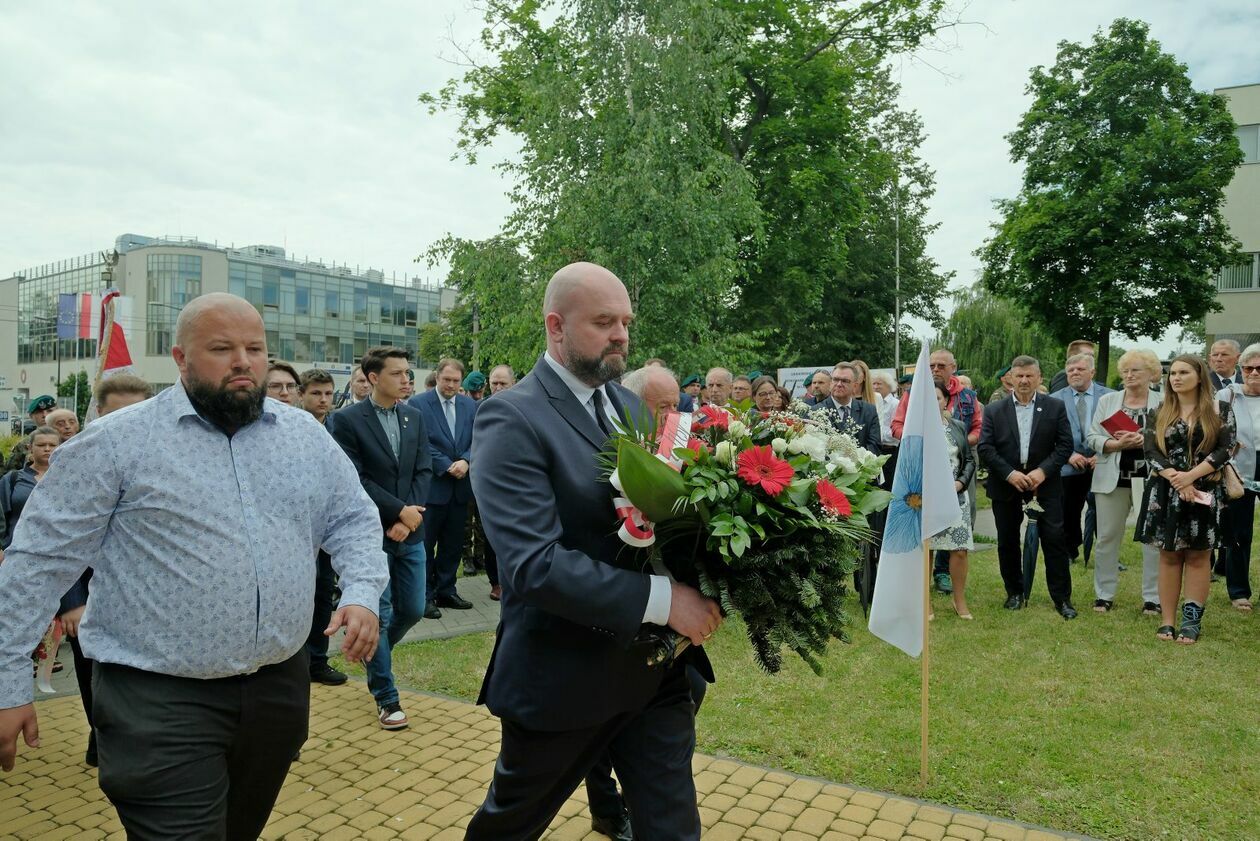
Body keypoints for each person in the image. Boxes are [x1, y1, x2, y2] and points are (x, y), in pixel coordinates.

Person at [0, 293, 386, 839]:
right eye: (221, 348)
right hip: (158, 699)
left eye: (254, 348)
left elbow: (352, 519)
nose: (242, 362)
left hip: (277, 691)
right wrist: (7, 681)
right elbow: (37, 562)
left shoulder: (303, 437)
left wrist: (362, 591)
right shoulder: (115, 444)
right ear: (180, 359)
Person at [464, 262, 719, 841]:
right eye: (604, 322)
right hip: (565, 677)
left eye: (625, 321)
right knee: (509, 827)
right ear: (556, 326)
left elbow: (649, 520)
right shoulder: (511, 417)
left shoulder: (627, 408)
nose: (621, 335)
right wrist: (664, 600)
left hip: (653, 673)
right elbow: (532, 566)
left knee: (674, 830)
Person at [333, 346, 434, 728]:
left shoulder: (414, 417)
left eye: (408, 373)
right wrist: (396, 511)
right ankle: (387, 699)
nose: (406, 380)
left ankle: (375, 649)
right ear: (374, 378)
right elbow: (355, 479)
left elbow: (424, 469)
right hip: (369, 534)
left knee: (413, 609)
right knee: (384, 610)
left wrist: (407, 519)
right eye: (398, 373)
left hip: (410, 532)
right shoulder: (347, 421)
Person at [57, 375, 153, 767]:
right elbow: (59, 543)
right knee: (94, 676)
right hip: (91, 601)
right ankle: (102, 740)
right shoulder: (78, 462)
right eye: (118, 412)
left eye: (137, 411)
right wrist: (73, 602)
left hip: (150, 605)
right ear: (98, 412)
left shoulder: (167, 460)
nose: (127, 421)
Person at [1136, 355, 1235, 644]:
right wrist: (1175, 478)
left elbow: (1225, 449)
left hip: (1205, 488)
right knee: (1168, 555)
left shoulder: (1220, 409)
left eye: (1183, 372)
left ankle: (1191, 622)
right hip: (1166, 491)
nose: (1175, 378)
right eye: (1172, 373)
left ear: (1199, 376)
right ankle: (1167, 621)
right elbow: (1150, 450)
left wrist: (1190, 477)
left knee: (1198, 555)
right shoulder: (1159, 409)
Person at [978, 355, 1077, 618]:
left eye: (1029, 376)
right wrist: (1009, 473)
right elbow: (985, 447)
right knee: (1007, 541)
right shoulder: (994, 410)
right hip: (1005, 485)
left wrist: (1042, 471)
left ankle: (1062, 599)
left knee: (1055, 540)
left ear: (1039, 378)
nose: (1023, 380)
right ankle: (1014, 592)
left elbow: (1065, 445)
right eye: (1018, 375)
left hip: (1044, 485)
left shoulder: (1054, 407)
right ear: (1010, 377)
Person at [893, 348, 982, 594]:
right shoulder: (912, 394)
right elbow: (897, 425)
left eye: (941, 366)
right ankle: (922, 584)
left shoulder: (967, 396)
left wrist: (963, 440)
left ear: (953, 367)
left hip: (960, 461)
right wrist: (915, 442)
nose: (935, 370)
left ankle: (943, 573)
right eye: (932, 365)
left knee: (959, 527)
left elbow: (977, 427)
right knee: (926, 533)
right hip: (922, 472)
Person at [1087, 349, 1164, 614]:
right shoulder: (1108, 401)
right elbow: (1092, 437)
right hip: (1112, 477)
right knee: (1107, 537)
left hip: (1152, 478)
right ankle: (1104, 594)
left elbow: (1175, 437)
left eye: (1136, 371)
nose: (1129, 376)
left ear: (1152, 374)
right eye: (1126, 371)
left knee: (1152, 539)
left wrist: (1147, 440)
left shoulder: (1164, 401)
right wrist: (1115, 443)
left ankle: (1153, 597)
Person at [410, 358, 476, 615]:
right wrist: (448, 465)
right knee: (426, 546)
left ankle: (447, 591)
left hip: (460, 488)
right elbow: (421, 443)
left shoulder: (470, 405)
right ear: (436, 377)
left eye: (455, 381)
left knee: (452, 544)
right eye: (446, 379)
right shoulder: (418, 404)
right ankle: (424, 596)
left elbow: (479, 437)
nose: (450, 385)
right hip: (432, 487)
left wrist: (467, 460)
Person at [297, 368, 349, 686]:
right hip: (298, 527)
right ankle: (295, 659)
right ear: (302, 394)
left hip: (328, 525)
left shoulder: (338, 427)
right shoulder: (289, 428)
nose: (323, 400)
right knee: (298, 594)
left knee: (322, 594)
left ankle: (318, 659)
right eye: (316, 393)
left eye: (328, 393)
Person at [1050, 352, 1113, 563]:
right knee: (1068, 510)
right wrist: (1068, 455)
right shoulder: (1054, 400)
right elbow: (1047, 435)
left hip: (1102, 462)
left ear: (1092, 372)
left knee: (1106, 512)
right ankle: (1070, 550)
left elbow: (1122, 432)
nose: (1075, 372)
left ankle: (1109, 554)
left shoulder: (1111, 397)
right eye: (1071, 370)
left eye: (1080, 369)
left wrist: (1102, 452)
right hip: (1069, 465)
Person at [1217, 343, 1260, 613]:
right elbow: (1213, 429)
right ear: (1241, 370)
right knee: (1239, 531)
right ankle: (1239, 591)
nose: (1254, 372)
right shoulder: (1227, 395)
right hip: (1239, 467)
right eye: (1248, 368)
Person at [928, 383, 975, 619]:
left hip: (956, 496)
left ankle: (959, 600)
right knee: (927, 550)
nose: (933, 401)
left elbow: (969, 461)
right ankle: (925, 603)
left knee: (959, 550)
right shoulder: (917, 428)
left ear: (946, 401)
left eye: (937, 397)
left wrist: (960, 483)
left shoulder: (957, 426)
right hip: (927, 499)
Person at [813, 363, 881, 455]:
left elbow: (874, 446)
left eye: (845, 381)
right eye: (836, 379)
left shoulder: (869, 411)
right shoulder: (816, 411)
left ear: (855, 386)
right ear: (830, 383)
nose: (839, 384)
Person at [3, 396, 57, 472]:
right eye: (39, 412)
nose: (45, 415)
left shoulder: (69, 440)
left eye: (49, 411)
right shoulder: (23, 444)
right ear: (31, 416)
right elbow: (10, 472)